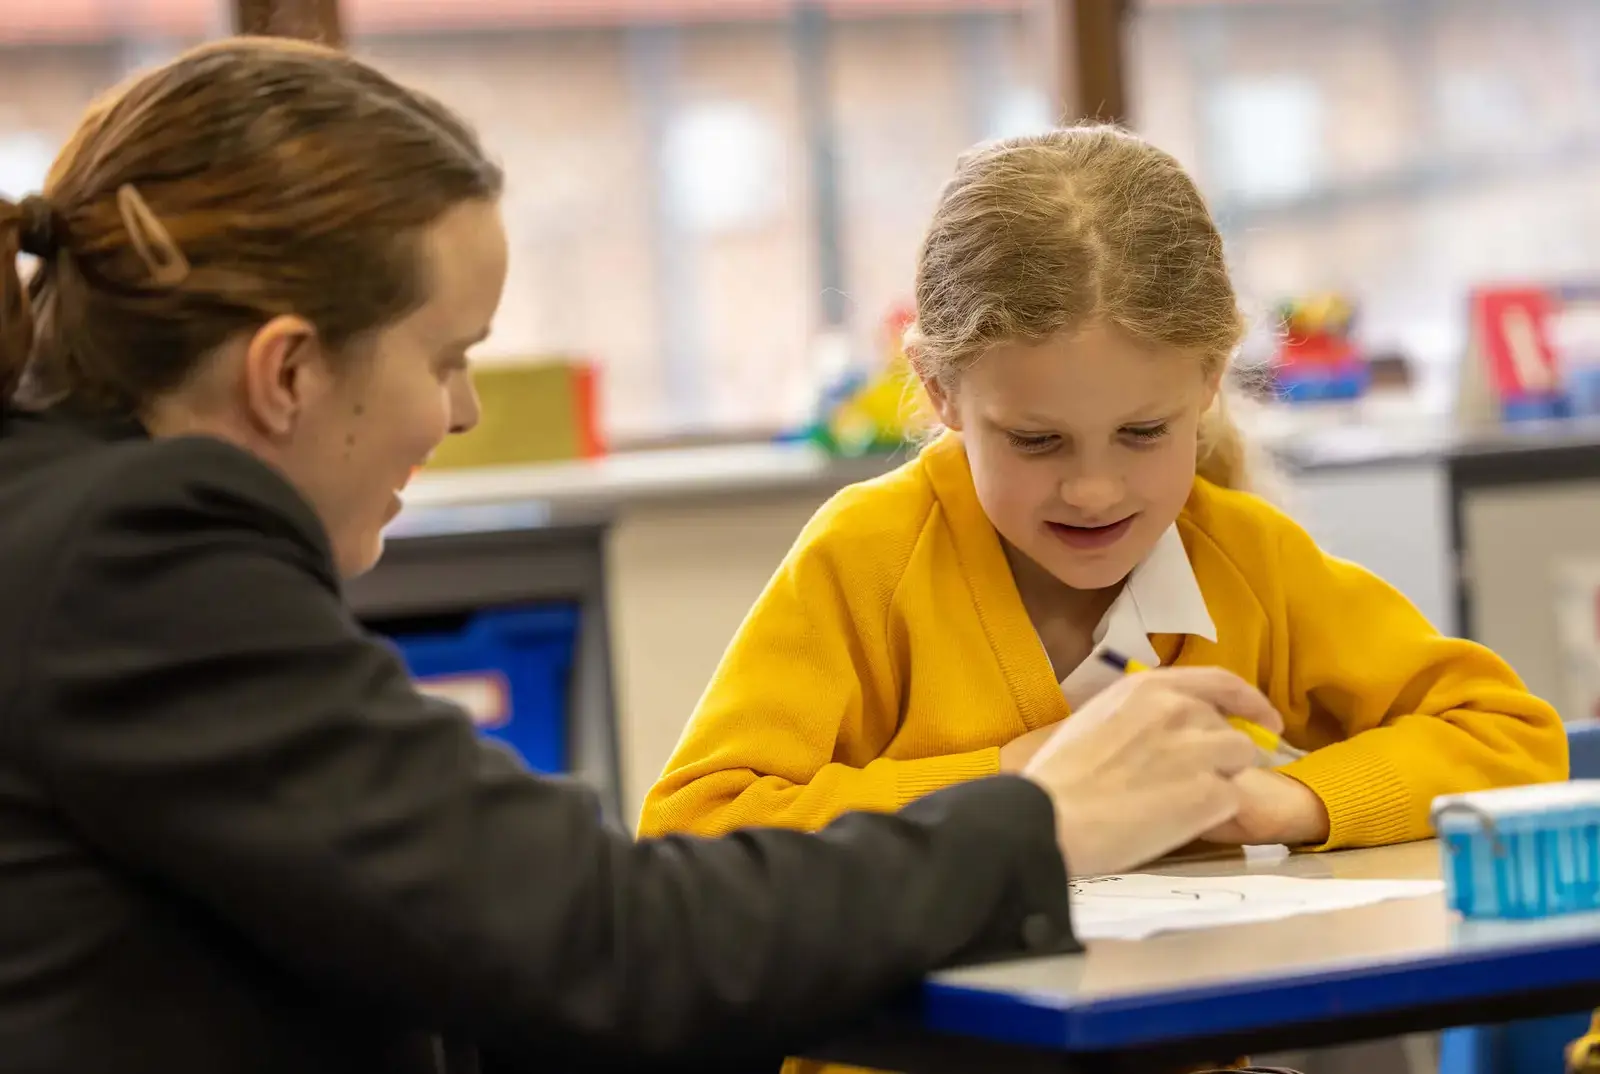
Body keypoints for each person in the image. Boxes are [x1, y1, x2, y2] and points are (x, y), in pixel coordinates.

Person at [0, 40, 1291, 1074]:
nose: (457, 412)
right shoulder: (134, 556)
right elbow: (598, 934)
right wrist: (1041, 821)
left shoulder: (69, 526)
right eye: (448, 357)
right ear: (286, 368)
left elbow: (471, 930)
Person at [640, 126, 1566, 853]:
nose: (1092, 490)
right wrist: (1019, 792)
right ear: (938, 390)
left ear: (1210, 378)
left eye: (1142, 433)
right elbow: (694, 828)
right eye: (1036, 440)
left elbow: (1510, 737)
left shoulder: (1243, 557)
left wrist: (1289, 801)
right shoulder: (869, 560)